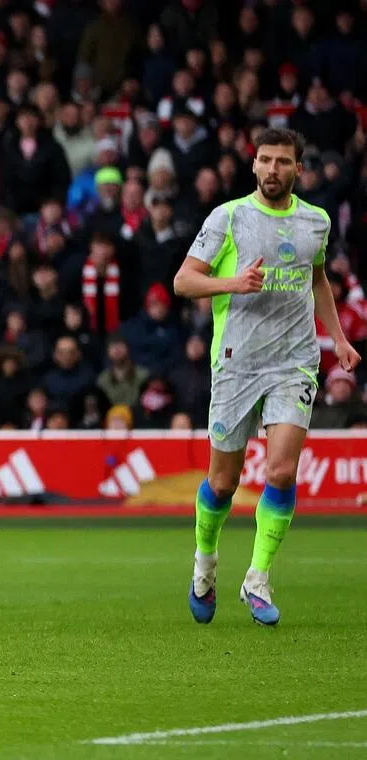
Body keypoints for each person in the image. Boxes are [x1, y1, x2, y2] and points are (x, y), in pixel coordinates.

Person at [173, 128, 361, 626]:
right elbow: (183, 280)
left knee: (280, 472)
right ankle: (205, 565)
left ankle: (257, 578)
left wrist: (338, 339)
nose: (272, 169)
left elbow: (316, 278)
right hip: (236, 361)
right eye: (264, 160)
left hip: (294, 361)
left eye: (282, 161)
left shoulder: (315, 222)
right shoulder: (229, 216)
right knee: (223, 480)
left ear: (299, 168)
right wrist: (233, 282)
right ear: (252, 166)